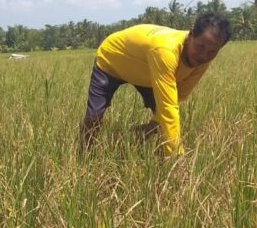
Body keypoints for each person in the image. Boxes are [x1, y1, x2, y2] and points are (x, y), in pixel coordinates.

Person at [80, 13, 231, 156]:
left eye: (212, 52)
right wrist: (177, 157)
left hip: (147, 73)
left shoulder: (203, 60)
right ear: (191, 35)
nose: (204, 55)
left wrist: (152, 126)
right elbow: (168, 109)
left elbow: (179, 95)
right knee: (94, 117)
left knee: (160, 122)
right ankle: (84, 154)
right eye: (200, 47)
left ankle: (138, 137)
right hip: (112, 60)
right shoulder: (165, 50)